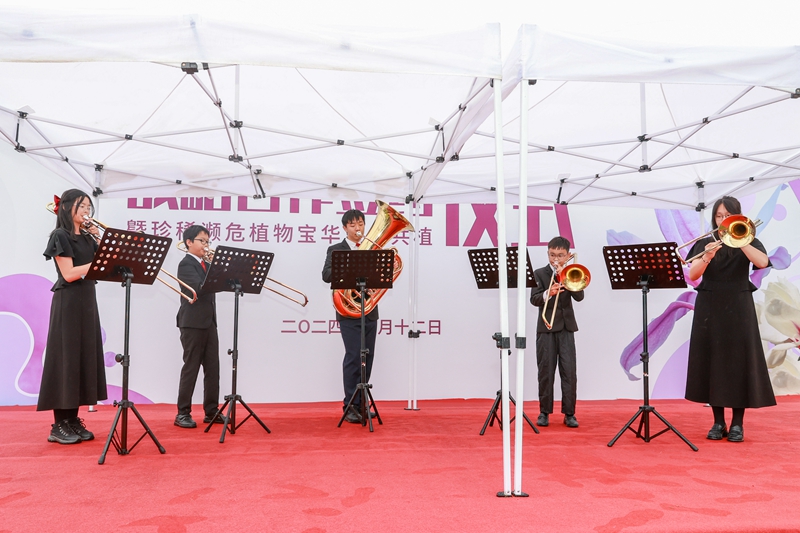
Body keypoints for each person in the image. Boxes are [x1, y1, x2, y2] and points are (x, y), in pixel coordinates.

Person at [685, 196, 776, 442]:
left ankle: (737, 424)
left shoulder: (749, 238)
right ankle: (718, 422)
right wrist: (707, 256)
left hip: (738, 303)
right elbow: (693, 275)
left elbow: (762, 263)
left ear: (737, 216)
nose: (722, 219)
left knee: (739, 361)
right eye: (718, 216)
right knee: (712, 360)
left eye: (727, 215)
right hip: (710, 303)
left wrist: (741, 241)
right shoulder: (705, 242)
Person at [38, 189, 107, 444]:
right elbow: (68, 273)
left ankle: (72, 420)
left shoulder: (88, 238)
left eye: (89, 206)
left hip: (87, 301)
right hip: (68, 302)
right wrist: (97, 262)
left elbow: (104, 267)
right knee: (65, 359)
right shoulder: (60, 235)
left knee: (82, 358)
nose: (87, 211)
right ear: (67, 208)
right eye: (82, 206)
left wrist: (100, 242)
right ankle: (59, 424)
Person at [322, 209, 378, 424]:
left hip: (369, 311)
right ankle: (350, 405)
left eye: (361, 224)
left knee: (367, 358)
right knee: (354, 357)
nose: (358, 228)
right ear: (345, 228)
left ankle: (363, 404)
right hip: (348, 310)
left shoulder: (372, 248)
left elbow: (380, 277)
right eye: (353, 225)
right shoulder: (336, 249)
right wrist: (350, 268)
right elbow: (327, 275)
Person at [530, 236, 585, 428]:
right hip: (545, 328)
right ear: (547, 253)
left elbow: (579, 296)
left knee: (569, 372)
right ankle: (544, 412)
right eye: (552, 255)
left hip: (566, 328)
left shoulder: (572, 272)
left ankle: (569, 413)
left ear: (568, 255)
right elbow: (534, 299)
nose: (556, 259)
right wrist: (548, 293)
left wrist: (565, 276)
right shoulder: (539, 273)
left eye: (560, 255)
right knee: (545, 371)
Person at [174, 225, 221, 428]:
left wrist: (218, 267)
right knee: (191, 368)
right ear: (189, 242)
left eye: (208, 241)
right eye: (202, 241)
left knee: (213, 368)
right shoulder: (185, 264)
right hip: (192, 323)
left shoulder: (206, 264)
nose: (206, 245)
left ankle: (211, 411)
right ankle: (182, 413)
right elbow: (199, 289)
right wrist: (216, 270)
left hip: (209, 323)